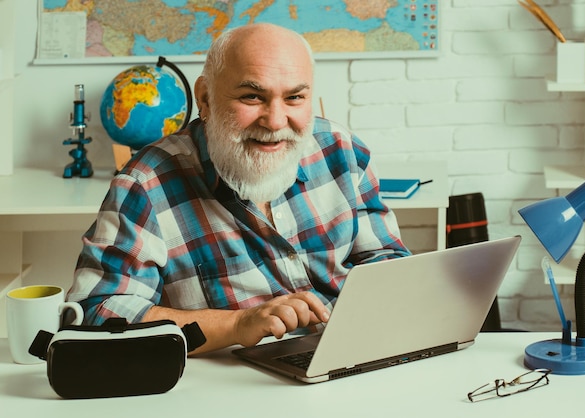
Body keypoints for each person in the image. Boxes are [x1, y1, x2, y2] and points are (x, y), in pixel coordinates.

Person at [67, 23, 410, 354]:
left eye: (294, 97)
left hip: (346, 356)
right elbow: (96, 316)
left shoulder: (342, 151)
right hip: (228, 386)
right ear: (205, 98)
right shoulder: (144, 186)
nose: (275, 121)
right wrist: (236, 325)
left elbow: (388, 264)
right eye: (252, 96)